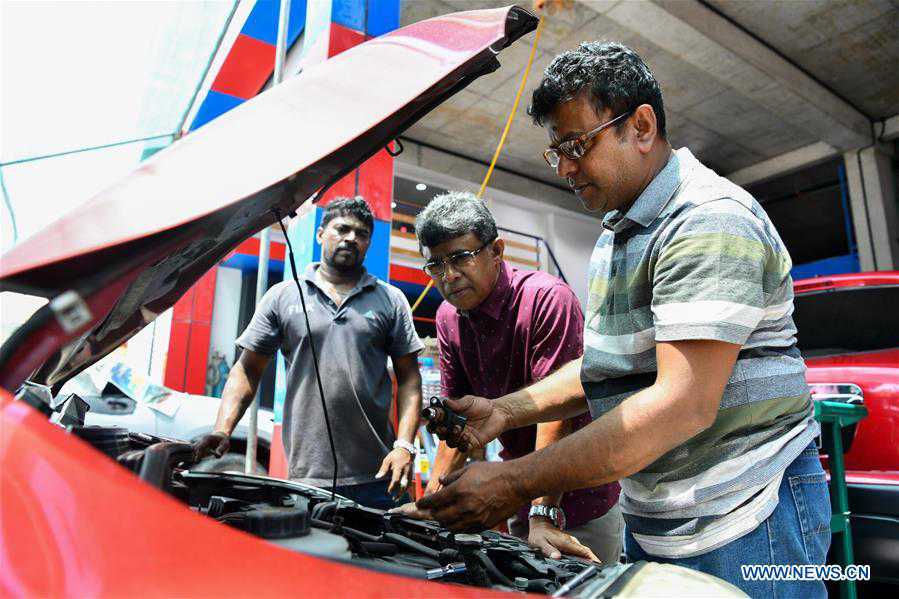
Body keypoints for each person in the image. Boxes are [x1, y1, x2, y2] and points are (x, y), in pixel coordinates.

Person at [411, 42, 829, 596]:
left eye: (576, 144)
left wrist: (515, 482)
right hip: (661, 518)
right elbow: (605, 368)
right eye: (555, 150)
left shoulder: (708, 221)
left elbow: (679, 406)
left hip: (749, 516)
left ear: (642, 126)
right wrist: (503, 413)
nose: (563, 166)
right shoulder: (618, 232)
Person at [397, 191, 623, 563]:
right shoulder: (448, 319)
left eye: (460, 257)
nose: (449, 276)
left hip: (578, 503)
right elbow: (458, 427)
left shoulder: (547, 299)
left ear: (497, 250)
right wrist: (433, 505)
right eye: (435, 264)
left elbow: (555, 415)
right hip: (516, 498)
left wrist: (543, 515)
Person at [194, 197, 424, 510]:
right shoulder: (284, 296)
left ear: (369, 243)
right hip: (308, 475)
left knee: (383, 558)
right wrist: (223, 430)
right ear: (320, 234)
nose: (351, 238)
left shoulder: (390, 299)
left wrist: (405, 446)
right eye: (342, 228)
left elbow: (410, 377)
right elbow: (247, 369)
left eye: (361, 234)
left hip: (379, 473)